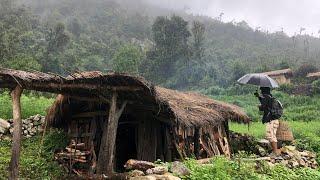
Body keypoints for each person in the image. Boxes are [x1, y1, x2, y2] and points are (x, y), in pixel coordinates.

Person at [254, 87, 280, 155]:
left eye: (261, 91)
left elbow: (263, 107)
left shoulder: (266, 97)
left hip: (271, 120)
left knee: (271, 136)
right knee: (272, 136)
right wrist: (258, 97)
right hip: (274, 120)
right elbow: (266, 104)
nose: (261, 92)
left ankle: (275, 152)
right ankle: (274, 152)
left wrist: (259, 106)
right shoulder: (270, 98)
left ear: (263, 91)